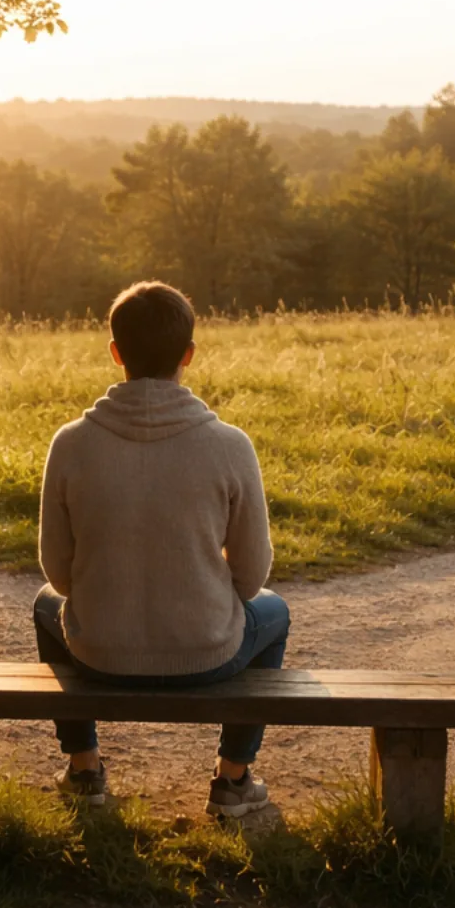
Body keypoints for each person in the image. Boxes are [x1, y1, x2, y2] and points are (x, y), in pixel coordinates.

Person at [33, 280, 287, 819]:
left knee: (42, 605)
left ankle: (84, 771)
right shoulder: (230, 445)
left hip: (98, 653)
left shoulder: (70, 443)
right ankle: (233, 780)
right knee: (276, 611)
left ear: (116, 352)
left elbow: (58, 577)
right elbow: (251, 578)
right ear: (188, 355)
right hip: (207, 653)